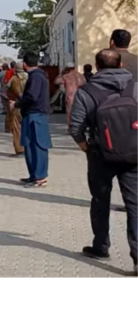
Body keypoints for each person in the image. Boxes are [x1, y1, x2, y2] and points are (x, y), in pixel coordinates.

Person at [68, 49, 137, 274]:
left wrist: (87, 149)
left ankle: (100, 247)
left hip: (100, 155)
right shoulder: (135, 86)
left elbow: (75, 127)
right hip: (134, 155)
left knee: (100, 201)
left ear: (96, 67)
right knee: (135, 205)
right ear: (120, 65)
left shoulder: (86, 91)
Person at [11, 52, 51, 188]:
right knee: (30, 146)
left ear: (24, 64)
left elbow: (31, 96)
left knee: (37, 146)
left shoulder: (36, 77)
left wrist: (17, 103)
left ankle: (40, 177)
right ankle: (34, 175)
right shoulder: (38, 76)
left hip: (35, 115)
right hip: (34, 115)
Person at [5, 63, 28, 156]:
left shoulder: (14, 79)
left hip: (17, 105)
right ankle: (28, 148)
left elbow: (8, 88)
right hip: (28, 106)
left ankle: (19, 149)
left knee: (17, 128)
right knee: (27, 127)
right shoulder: (30, 78)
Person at [55, 63, 87, 128]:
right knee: (80, 112)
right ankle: (80, 127)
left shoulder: (66, 76)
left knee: (69, 113)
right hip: (80, 96)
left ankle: (71, 127)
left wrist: (62, 73)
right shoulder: (80, 75)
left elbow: (56, 81)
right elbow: (84, 84)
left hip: (70, 96)